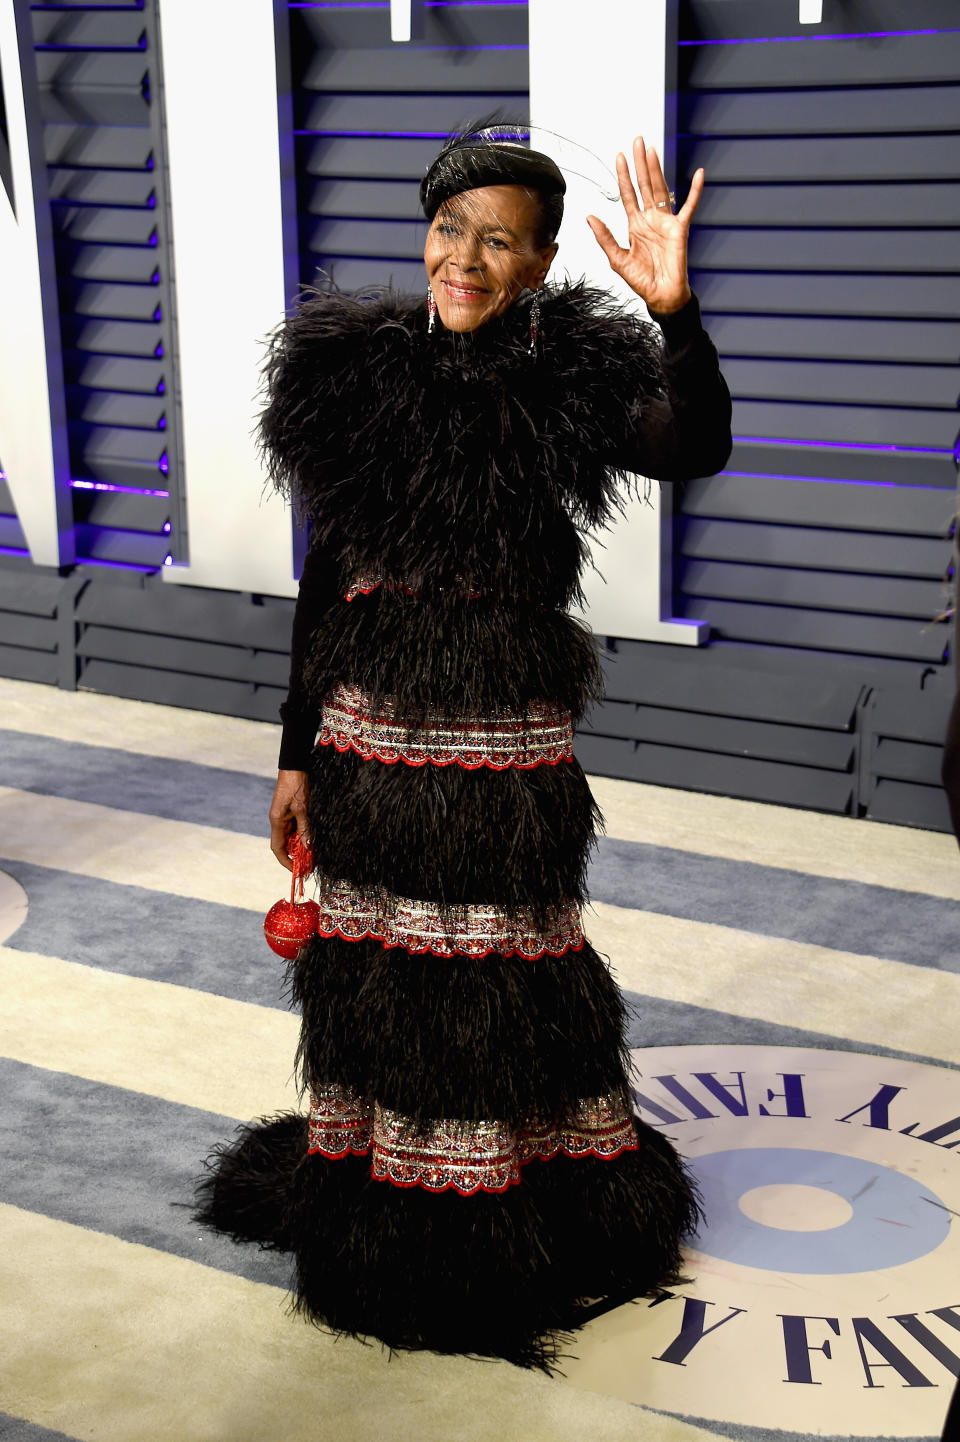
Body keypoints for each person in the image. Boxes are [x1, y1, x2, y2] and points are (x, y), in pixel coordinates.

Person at [197, 124, 732, 1370]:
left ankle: (508, 1198)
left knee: (505, 963)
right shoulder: (352, 375)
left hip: (501, 742)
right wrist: (294, 753)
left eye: (499, 239)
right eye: (451, 230)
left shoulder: (572, 375)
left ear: (542, 262)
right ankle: (392, 1193)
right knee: (380, 960)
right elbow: (328, 572)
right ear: (423, 236)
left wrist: (679, 311)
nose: (466, 258)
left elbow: (691, 445)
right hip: (367, 735)